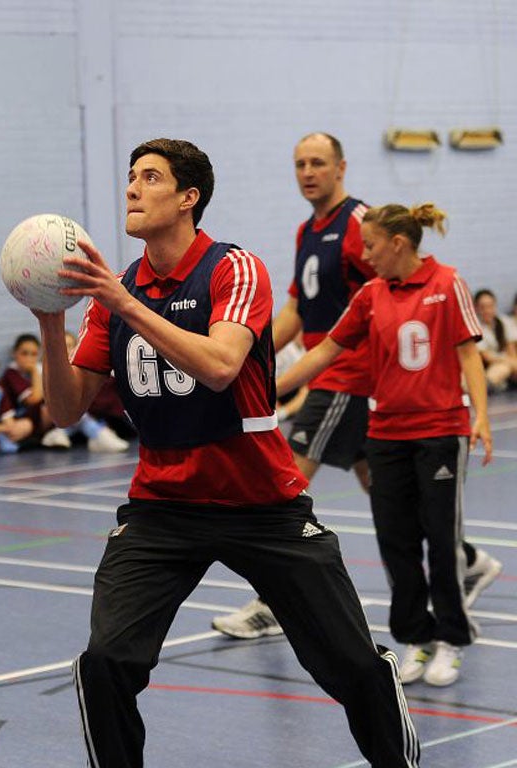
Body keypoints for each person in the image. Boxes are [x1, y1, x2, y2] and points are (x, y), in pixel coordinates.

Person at [36, 138, 419, 767]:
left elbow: (220, 366)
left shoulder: (233, 269)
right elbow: (66, 408)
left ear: (189, 199)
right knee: (106, 661)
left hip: (262, 503)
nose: (131, 188)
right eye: (130, 176)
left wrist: (121, 302)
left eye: (150, 177)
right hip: (162, 507)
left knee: (351, 665)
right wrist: (51, 320)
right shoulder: (121, 289)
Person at [213, 132, 500, 639]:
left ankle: (272, 600)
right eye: (299, 163)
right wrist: (250, 356)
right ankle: (466, 558)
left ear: (341, 168)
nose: (307, 172)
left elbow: (387, 297)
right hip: (343, 381)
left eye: (318, 163)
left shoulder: (359, 226)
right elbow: (297, 314)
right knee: (389, 501)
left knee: (284, 480)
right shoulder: (308, 231)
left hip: (353, 378)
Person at [276, 203, 490, 687]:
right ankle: (415, 637)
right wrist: (275, 389)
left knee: (441, 539)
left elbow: (468, 354)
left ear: (398, 244)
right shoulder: (371, 295)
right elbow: (327, 350)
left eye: (371, 245)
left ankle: (452, 640)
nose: (365, 255)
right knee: (396, 542)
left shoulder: (446, 282)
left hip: (440, 433)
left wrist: (481, 417)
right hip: (386, 434)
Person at [473, 288, 517, 392]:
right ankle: (487, 386)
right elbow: (487, 357)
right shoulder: (475, 328)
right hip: (489, 367)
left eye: (490, 306)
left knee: (507, 367)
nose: (487, 310)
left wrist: (512, 363)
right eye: (483, 307)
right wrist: (509, 362)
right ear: (476, 308)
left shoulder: (504, 322)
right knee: (502, 368)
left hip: (508, 365)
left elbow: (511, 350)